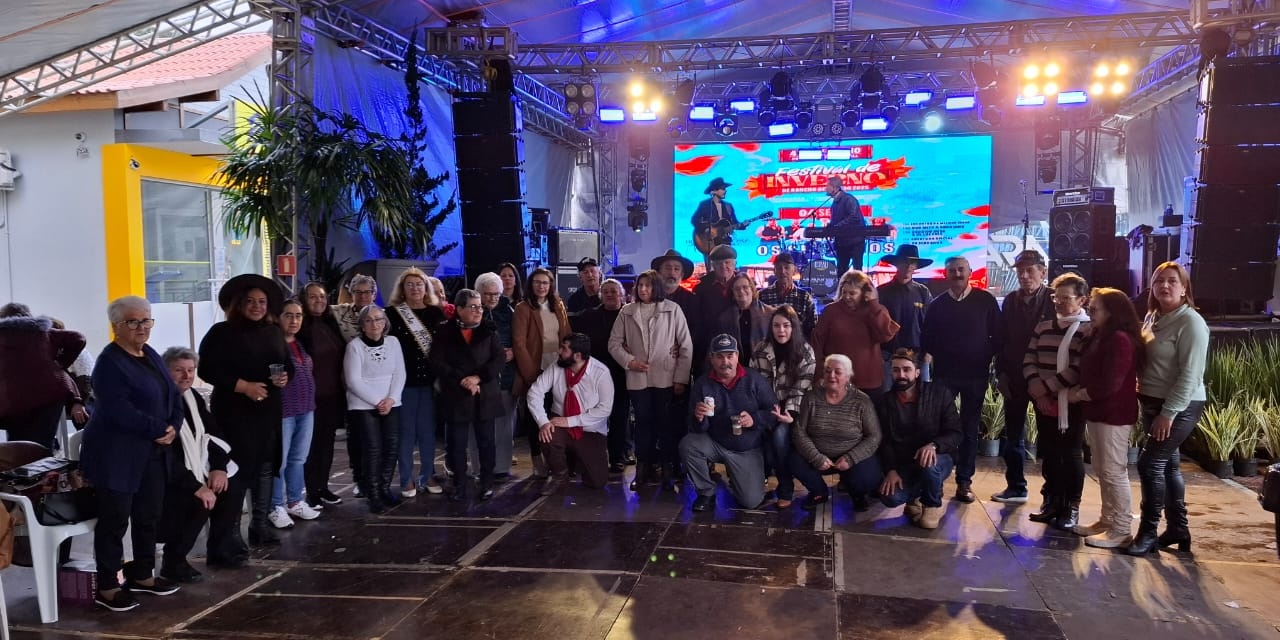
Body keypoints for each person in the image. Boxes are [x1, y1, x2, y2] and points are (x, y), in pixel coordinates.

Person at [81, 296, 183, 612]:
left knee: (148, 516)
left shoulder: (149, 353)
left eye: (146, 320)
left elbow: (172, 393)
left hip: (152, 451)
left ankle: (142, 574)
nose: (142, 327)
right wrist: (158, 428)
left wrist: (174, 426)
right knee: (115, 520)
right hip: (117, 454)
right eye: (133, 322)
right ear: (116, 327)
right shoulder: (109, 363)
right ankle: (108, 585)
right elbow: (116, 410)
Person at [198, 274, 291, 557]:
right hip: (235, 414)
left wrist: (285, 378)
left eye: (262, 302)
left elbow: (287, 365)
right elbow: (207, 370)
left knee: (265, 469)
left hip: (268, 412)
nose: (256, 306)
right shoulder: (221, 332)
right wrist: (243, 386)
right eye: (250, 301)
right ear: (239, 304)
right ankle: (227, 537)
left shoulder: (274, 331)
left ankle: (260, 526)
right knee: (236, 474)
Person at [1128, 262, 1209, 556]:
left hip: (1179, 405)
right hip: (1152, 400)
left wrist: (1169, 413)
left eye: (1172, 281)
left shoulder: (1191, 323)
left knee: (1149, 465)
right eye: (1159, 281)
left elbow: (1190, 375)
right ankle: (1178, 529)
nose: (1165, 286)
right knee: (1169, 465)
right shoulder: (1153, 316)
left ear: (1184, 288)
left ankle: (1148, 533)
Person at [920, 256, 1004, 503]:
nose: (957, 274)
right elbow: (928, 338)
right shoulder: (937, 305)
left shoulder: (985, 300)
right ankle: (934, 480)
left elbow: (997, 335)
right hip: (945, 375)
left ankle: (964, 482)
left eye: (961, 270)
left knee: (969, 429)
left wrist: (989, 358)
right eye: (952, 270)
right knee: (937, 427)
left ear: (969, 272)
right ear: (945, 274)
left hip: (975, 376)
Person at [1067, 288, 1143, 548]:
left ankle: (1121, 528)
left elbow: (1111, 382)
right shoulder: (1100, 336)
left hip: (1114, 415)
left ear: (1112, 311)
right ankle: (1107, 520)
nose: (1090, 312)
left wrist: (1081, 395)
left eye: (1095, 308)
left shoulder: (1120, 340)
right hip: (1099, 413)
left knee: (1113, 471)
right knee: (1102, 468)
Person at [609, 270, 693, 490]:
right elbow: (614, 344)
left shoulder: (672, 309)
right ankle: (643, 468)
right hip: (637, 379)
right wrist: (630, 362)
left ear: (656, 287)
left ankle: (667, 469)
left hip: (666, 377)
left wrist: (680, 379)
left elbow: (685, 346)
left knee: (665, 424)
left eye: (648, 285)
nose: (643, 289)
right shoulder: (627, 311)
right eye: (640, 285)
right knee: (643, 425)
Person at [1023, 273, 1091, 531]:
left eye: (1066, 298)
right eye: (1056, 297)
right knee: (1050, 453)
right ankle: (1051, 502)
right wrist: (1037, 390)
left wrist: (1049, 388)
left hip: (1070, 404)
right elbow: (1029, 359)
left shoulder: (1086, 330)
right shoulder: (1043, 327)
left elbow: (1078, 368)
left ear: (1082, 299)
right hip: (1043, 401)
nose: (1059, 303)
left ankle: (1071, 506)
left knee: (1071, 454)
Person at [158, 347, 232, 584]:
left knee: (230, 484)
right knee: (200, 499)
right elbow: (166, 455)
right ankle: (174, 559)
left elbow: (212, 432)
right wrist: (196, 485)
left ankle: (223, 546)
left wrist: (219, 467)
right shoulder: (160, 402)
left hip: (193, 465)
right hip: (165, 473)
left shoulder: (192, 397)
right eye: (179, 370)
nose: (186, 376)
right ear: (165, 372)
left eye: (191, 370)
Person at [681, 334, 778, 512]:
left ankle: (737, 476)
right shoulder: (702, 384)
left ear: (737, 356)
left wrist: (754, 419)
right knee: (688, 445)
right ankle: (706, 492)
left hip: (746, 448)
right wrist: (698, 418)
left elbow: (774, 411)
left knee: (751, 501)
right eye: (719, 356)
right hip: (715, 442)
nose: (725, 362)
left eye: (729, 356)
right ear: (711, 358)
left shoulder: (753, 379)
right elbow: (695, 428)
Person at [991, 250, 1054, 504]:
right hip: (1014, 378)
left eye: (1030, 271)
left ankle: (1052, 493)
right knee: (1013, 435)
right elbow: (1002, 340)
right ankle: (1016, 486)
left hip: (1045, 380)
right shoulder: (1010, 301)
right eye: (1020, 271)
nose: (1025, 276)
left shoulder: (1053, 299)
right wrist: (1001, 373)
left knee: (1049, 439)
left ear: (1043, 271)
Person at [430, 290, 506, 502]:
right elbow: (437, 361)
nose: (478, 311)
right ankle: (460, 485)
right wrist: (462, 380)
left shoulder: (489, 330)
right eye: (472, 307)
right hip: (456, 394)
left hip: (484, 393)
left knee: (486, 442)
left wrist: (477, 378)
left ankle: (487, 483)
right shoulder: (445, 331)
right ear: (460, 309)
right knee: (457, 444)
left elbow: (499, 359)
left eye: (480, 307)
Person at [876, 349, 963, 530]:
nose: (901, 375)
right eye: (896, 370)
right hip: (905, 463)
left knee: (929, 462)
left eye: (906, 369)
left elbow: (956, 433)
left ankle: (932, 503)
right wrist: (891, 470)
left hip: (938, 458)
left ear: (917, 372)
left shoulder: (939, 394)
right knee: (890, 497)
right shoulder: (885, 401)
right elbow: (885, 441)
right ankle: (916, 496)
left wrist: (934, 445)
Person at [788, 354, 881, 510]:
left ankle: (857, 494)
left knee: (868, 477)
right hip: (818, 455)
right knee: (793, 460)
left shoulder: (862, 401)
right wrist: (815, 457)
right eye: (827, 371)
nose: (831, 375)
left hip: (850, 456)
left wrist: (851, 458)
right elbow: (799, 431)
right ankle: (819, 492)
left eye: (837, 372)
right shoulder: (811, 398)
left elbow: (874, 436)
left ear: (848, 376)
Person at [385, 267, 448, 497]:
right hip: (404, 382)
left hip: (430, 382)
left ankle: (428, 475)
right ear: (402, 288)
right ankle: (406, 479)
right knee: (406, 433)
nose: (414, 288)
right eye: (409, 284)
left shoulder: (436, 314)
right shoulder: (391, 314)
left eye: (419, 284)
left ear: (426, 287)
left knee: (427, 433)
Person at [529, 333, 615, 495]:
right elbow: (534, 393)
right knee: (548, 434)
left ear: (578, 355)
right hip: (560, 424)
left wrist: (571, 421)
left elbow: (605, 409)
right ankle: (559, 477)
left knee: (598, 482)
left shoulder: (601, 372)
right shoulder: (556, 366)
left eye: (564, 349)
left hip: (589, 429)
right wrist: (543, 422)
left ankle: (577, 462)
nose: (559, 352)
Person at [749, 304, 815, 509]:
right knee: (766, 447)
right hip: (765, 408)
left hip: (792, 410)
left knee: (779, 439)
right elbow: (753, 383)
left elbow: (803, 387)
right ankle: (756, 484)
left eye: (786, 325)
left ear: (793, 327)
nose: (781, 330)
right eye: (776, 325)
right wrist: (766, 411)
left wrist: (789, 414)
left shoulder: (805, 351)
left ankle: (786, 488)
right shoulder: (761, 349)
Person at [344, 305, 406, 513]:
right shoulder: (354, 347)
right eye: (369, 320)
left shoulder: (393, 342)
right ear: (362, 325)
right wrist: (377, 402)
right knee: (372, 449)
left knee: (391, 447)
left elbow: (400, 374)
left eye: (378, 319)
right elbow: (353, 380)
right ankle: (372, 494)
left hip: (391, 402)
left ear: (385, 322)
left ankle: (384, 488)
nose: (375, 324)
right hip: (363, 405)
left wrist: (390, 399)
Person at [513, 268, 573, 476]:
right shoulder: (523, 308)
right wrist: (531, 374)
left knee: (556, 412)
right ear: (531, 284)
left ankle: (556, 459)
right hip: (535, 366)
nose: (541, 286)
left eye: (545, 283)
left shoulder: (558, 305)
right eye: (537, 282)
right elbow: (519, 345)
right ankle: (537, 458)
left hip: (557, 365)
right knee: (535, 416)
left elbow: (567, 335)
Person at [0, 304, 86, 446]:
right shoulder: (43, 332)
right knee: (43, 444)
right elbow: (78, 338)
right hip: (49, 397)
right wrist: (59, 363)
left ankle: (24, 466)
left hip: (13, 398)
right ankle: (45, 465)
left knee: (18, 443)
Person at [269, 299, 320, 528]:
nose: (294, 320)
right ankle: (275, 505)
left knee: (298, 459)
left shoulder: (300, 344)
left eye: (298, 315)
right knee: (279, 460)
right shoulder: (272, 344)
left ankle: (295, 500)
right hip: (283, 411)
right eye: (288, 315)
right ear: (278, 317)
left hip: (306, 408)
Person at [812, 270, 899, 401]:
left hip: (869, 381)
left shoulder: (875, 310)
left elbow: (885, 335)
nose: (847, 296)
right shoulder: (831, 311)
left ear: (864, 293)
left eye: (852, 293)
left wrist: (874, 304)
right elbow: (817, 342)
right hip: (837, 379)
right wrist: (819, 373)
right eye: (844, 292)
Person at [297, 282, 347, 509]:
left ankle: (323, 486)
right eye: (313, 297)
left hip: (332, 394)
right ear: (304, 300)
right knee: (309, 446)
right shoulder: (300, 326)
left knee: (326, 444)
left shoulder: (330, 322)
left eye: (322, 296)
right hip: (309, 396)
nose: (319, 301)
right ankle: (310, 491)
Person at [577, 278, 632, 473]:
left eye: (613, 291)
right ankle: (595, 458)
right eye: (606, 291)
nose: (610, 294)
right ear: (601, 295)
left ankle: (617, 457)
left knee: (619, 417)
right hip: (596, 375)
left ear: (622, 294)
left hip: (622, 374)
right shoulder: (589, 316)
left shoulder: (630, 314)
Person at [476, 272, 517, 480]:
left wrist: (514, 351)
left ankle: (501, 467)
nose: (492, 298)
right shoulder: (472, 312)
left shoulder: (509, 312)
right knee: (479, 425)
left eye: (496, 294)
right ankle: (478, 468)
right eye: (488, 294)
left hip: (505, 376)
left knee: (504, 424)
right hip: (480, 378)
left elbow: (519, 338)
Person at [876, 245, 933, 390]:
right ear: (896, 264)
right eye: (904, 261)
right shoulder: (881, 292)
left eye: (912, 262)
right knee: (886, 399)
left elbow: (931, 325)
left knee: (922, 399)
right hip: (888, 356)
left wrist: (928, 353)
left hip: (918, 356)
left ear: (916, 266)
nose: (908, 266)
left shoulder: (923, 292)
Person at [653, 249, 702, 372]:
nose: (672, 273)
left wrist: (680, 346)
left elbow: (696, 330)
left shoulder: (692, 300)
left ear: (682, 274)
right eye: (668, 268)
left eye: (676, 269)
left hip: (681, 362)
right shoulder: (649, 298)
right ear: (659, 272)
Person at [713, 272, 771, 363]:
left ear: (752, 289)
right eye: (737, 289)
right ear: (733, 292)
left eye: (745, 287)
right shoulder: (724, 318)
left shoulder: (769, 313)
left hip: (763, 366)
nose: (741, 291)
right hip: (736, 368)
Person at [693, 244, 739, 361]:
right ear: (712, 266)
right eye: (719, 263)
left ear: (734, 264)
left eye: (727, 262)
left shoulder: (744, 285)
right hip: (709, 346)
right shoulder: (701, 288)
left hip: (739, 345)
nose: (724, 266)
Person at [757, 252, 816, 335]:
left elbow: (813, 327)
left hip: (797, 345)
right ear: (774, 271)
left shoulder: (804, 297)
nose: (783, 271)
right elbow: (757, 326)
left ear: (794, 271)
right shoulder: (762, 295)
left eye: (786, 268)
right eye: (779, 268)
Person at [691, 177, 739, 263]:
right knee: (712, 268)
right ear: (713, 191)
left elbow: (734, 223)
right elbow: (694, 220)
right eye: (723, 189)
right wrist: (707, 229)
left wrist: (742, 225)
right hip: (709, 242)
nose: (725, 191)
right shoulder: (705, 205)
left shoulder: (728, 206)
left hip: (725, 241)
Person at [825, 176, 866, 272]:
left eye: (827, 186)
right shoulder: (834, 203)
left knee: (857, 271)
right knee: (841, 270)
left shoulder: (848, 199)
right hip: (842, 242)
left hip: (855, 241)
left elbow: (854, 217)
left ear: (835, 188)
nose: (825, 188)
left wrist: (836, 227)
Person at [332, 274, 378, 342]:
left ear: (374, 295)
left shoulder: (383, 315)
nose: (362, 296)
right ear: (351, 295)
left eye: (367, 292)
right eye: (358, 292)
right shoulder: (340, 311)